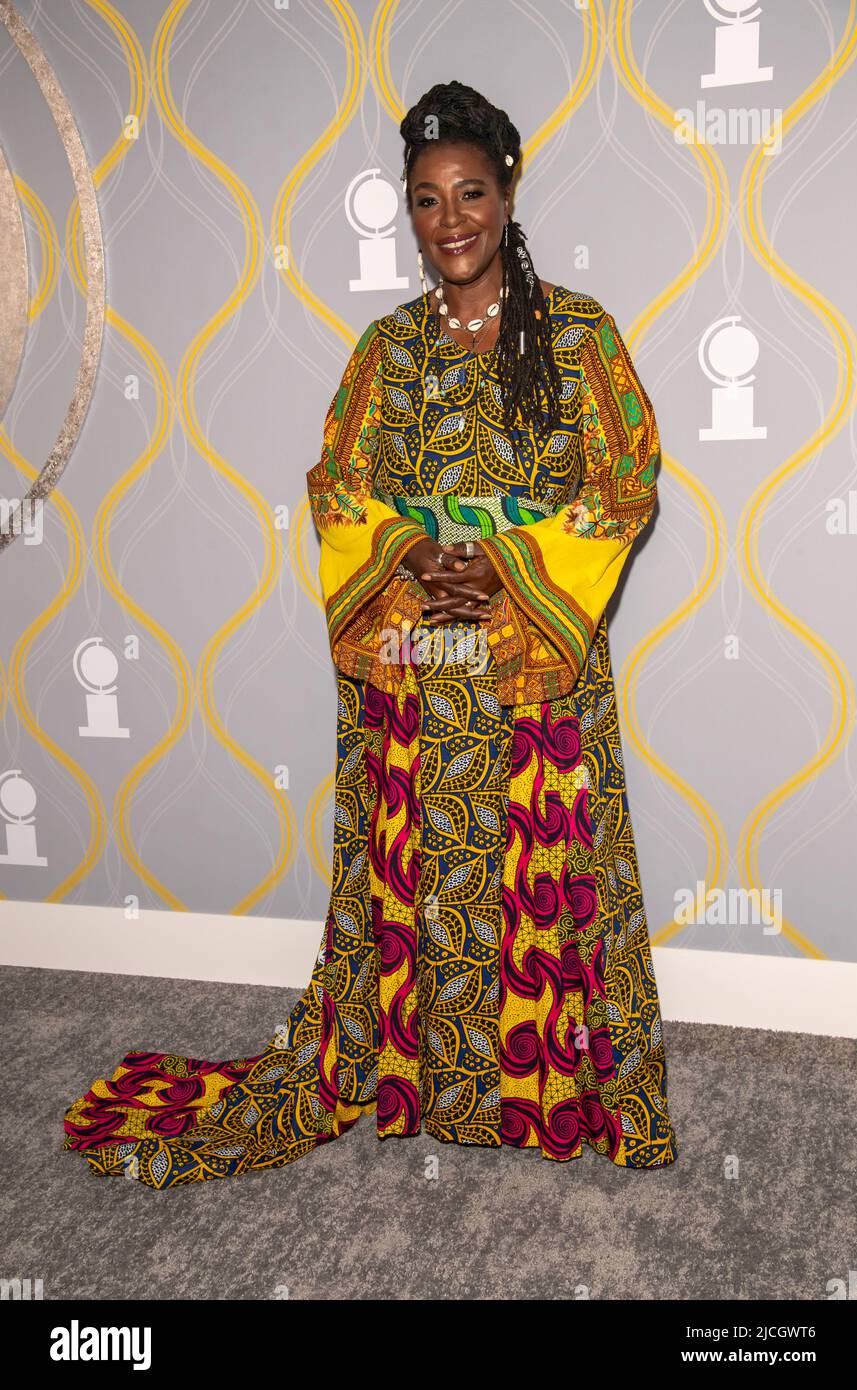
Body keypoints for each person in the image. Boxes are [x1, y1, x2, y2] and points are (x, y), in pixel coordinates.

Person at [62, 81, 678, 1188]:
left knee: (531, 885)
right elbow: (337, 491)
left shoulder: (579, 336)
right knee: (426, 887)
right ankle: (429, 1083)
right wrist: (406, 552)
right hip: (413, 672)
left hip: (531, 675)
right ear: (408, 211)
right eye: (426, 200)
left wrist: (509, 562)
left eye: (470, 193)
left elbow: (625, 480)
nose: (450, 220)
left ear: (506, 191)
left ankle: (552, 1091)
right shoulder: (382, 351)